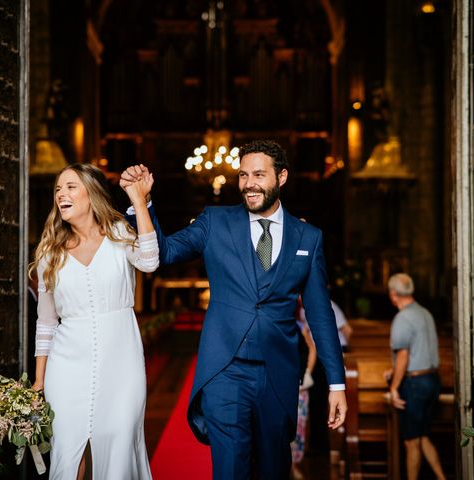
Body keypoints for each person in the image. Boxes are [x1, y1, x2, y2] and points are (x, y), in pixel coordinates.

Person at [121, 140, 347, 479]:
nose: (249, 184)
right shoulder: (215, 222)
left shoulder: (308, 238)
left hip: (278, 373)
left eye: (258, 174)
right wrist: (142, 203)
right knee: (230, 470)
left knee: (273, 469)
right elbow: (163, 253)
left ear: (281, 177)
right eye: (243, 175)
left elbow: (320, 316)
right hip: (225, 370)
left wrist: (337, 385)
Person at [31, 164, 158, 480]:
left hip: (122, 365)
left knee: (118, 445)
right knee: (68, 454)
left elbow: (150, 260)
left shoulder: (118, 234)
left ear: (92, 194)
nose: (62, 194)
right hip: (66, 366)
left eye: (71, 187)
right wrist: (39, 380)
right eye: (58, 189)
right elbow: (46, 322)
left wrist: (139, 201)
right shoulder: (50, 252)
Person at [383, 273, 446, 480]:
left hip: (415, 384)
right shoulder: (424, 313)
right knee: (422, 436)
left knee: (411, 441)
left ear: (393, 294)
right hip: (431, 380)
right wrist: (394, 371)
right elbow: (421, 350)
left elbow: (403, 355)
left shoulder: (403, 317)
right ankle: (441, 477)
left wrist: (394, 386)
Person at [291, 298, 317, 479]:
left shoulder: (300, 327)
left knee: (298, 427)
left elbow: (312, 350)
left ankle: (294, 464)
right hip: (279, 383)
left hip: (298, 385)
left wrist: (307, 372)